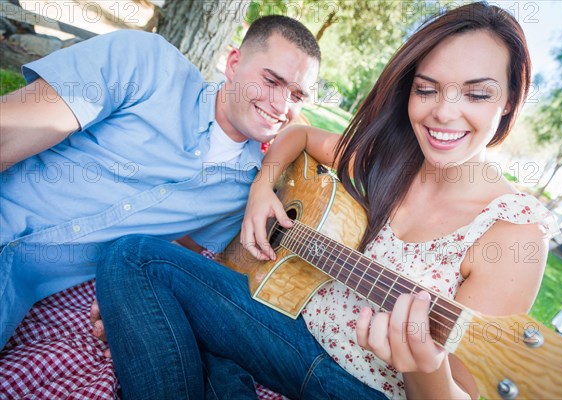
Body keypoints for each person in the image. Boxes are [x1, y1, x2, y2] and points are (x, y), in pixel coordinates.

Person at [96, 2, 558, 399]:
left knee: (139, 273)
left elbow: (463, 390)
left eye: (477, 93)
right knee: (134, 256)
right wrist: (262, 189)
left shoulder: (514, 231)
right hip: (288, 325)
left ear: (510, 100)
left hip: (356, 386)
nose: (444, 111)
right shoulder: (391, 161)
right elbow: (297, 134)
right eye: (426, 88)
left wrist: (424, 365)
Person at [0, 15, 321, 349]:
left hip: (12, 288)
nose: (281, 106)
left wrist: (136, 300)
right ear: (233, 63)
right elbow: (7, 132)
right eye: (271, 81)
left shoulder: (243, 190)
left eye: (297, 95)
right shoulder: (147, 64)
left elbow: (183, 251)